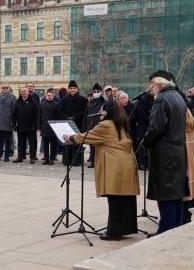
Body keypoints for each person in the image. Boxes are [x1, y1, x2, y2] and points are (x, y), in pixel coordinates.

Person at [63, 100, 139, 241]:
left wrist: (71, 137)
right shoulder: (121, 123)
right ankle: (123, 228)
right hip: (126, 163)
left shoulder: (106, 125)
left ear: (107, 111)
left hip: (116, 165)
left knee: (115, 197)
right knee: (125, 198)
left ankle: (114, 232)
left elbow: (87, 136)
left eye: (102, 109)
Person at [143, 70, 187, 236]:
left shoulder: (161, 99)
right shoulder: (178, 96)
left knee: (166, 194)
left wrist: (144, 142)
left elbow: (155, 127)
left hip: (165, 153)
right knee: (176, 193)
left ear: (159, 84)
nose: (151, 87)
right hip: (178, 151)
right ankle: (175, 227)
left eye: (153, 84)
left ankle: (165, 230)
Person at [58, 80, 88, 166]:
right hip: (67, 124)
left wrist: (75, 117)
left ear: (77, 89)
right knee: (67, 142)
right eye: (70, 88)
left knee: (76, 142)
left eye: (74, 88)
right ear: (68, 89)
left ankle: (76, 161)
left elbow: (84, 112)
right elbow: (60, 111)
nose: (72, 90)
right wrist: (67, 117)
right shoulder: (64, 99)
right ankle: (67, 160)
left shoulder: (83, 100)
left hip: (78, 124)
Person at [13, 87, 39, 164]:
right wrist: (14, 124)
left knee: (32, 143)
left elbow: (36, 114)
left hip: (31, 126)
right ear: (20, 92)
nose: (23, 92)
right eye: (22, 91)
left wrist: (35, 125)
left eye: (25, 91)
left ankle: (32, 157)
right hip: (20, 126)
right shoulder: (18, 102)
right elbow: (14, 114)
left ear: (28, 92)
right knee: (20, 143)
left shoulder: (33, 101)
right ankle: (20, 157)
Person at [183, 107, 194, 223]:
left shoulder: (182, 124)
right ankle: (189, 215)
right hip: (192, 154)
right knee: (191, 186)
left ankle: (185, 216)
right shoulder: (192, 122)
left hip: (185, 154)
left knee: (185, 187)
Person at [0, 84, 16, 162]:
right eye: (3, 88)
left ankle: (6, 157)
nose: (5, 89)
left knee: (8, 141)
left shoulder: (13, 97)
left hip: (8, 122)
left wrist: (14, 122)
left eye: (6, 88)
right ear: (1, 88)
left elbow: (14, 110)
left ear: (9, 88)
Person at [83, 83, 105, 168]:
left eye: (98, 91)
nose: (96, 93)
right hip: (90, 126)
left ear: (101, 92)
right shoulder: (89, 103)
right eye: (95, 91)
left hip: (100, 127)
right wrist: (84, 127)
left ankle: (99, 162)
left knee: (99, 146)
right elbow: (85, 115)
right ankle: (92, 162)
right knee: (91, 146)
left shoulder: (104, 102)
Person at [135, 87, 154, 170]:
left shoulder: (153, 99)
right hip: (143, 125)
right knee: (142, 145)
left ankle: (147, 163)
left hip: (150, 125)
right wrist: (151, 118)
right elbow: (142, 113)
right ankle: (141, 163)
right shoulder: (143, 100)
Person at [39, 89, 58, 165]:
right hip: (44, 127)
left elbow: (58, 116)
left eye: (51, 96)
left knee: (53, 145)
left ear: (53, 96)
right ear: (45, 96)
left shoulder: (57, 104)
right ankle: (46, 159)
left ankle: (52, 159)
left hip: (53, 127)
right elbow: (39, 115)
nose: (49, 97)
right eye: (48, 95)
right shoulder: (42, 104)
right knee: (45, 145)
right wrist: (39, 126)